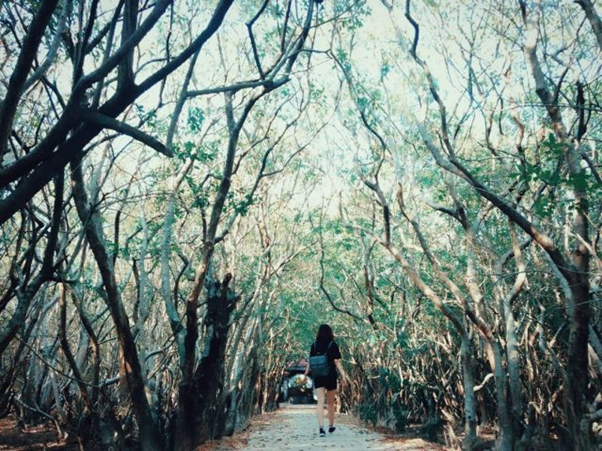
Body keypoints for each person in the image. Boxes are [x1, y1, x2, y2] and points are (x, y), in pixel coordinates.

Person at [304, 324, 348, 437]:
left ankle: (321, 428)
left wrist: (305, 374)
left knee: (320, 402)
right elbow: (336, 361)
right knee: (330, 403)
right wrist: (343, 375)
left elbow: (310, 361)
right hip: (330, 375)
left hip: (318, 376)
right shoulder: (332, 344)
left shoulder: (314, 345)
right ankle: (331, 425)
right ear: (330, 332)